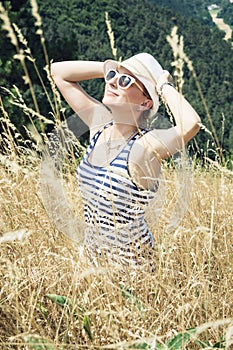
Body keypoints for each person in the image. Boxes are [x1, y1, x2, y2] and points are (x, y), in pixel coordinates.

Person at [50, 52, 201, 265]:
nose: (112, 82)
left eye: (125, 81)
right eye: (113, 76)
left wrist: (163, 86)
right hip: (92, 268)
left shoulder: (144, 146)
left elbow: (191, 124)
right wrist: (110, 69)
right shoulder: (100, 126)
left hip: (130, 275)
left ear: (145, 103)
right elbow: (59, 73)